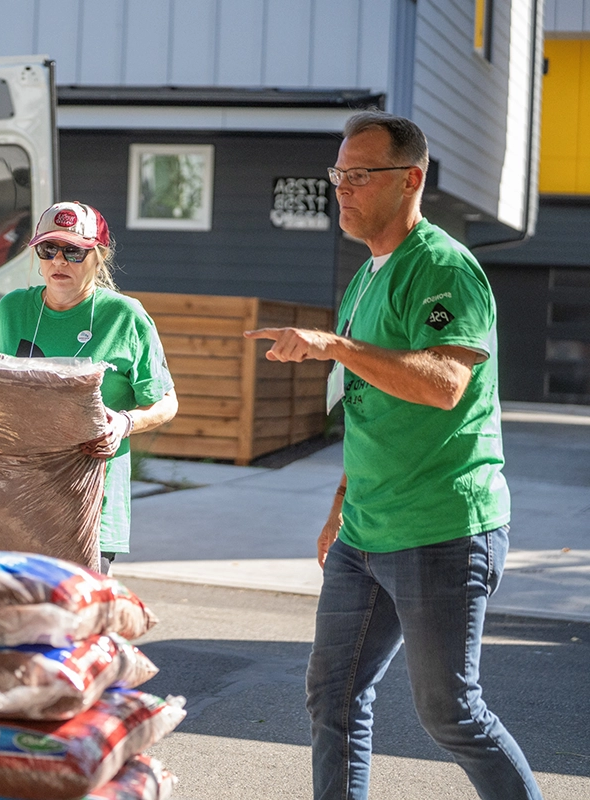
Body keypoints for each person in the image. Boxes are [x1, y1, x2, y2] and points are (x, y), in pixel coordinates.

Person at [245, 111, 542, 800]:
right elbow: (366, 404)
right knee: (333, 695)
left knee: (450, 714)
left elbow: (444, 384)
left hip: (442, 528)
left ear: (410, 179)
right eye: (338, 174)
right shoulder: (365, 278)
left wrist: (336, 345)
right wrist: (339, 506)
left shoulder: (444, 267)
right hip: (365, 532)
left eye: (359, 175)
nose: (342, 188)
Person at [0, 201, 178, 574]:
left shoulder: (124, 316)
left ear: (98, 256)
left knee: (73, 609)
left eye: (73, 251)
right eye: (48, 249)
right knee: (11, 609)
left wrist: (124, 423)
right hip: (14, 498)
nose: (59, 261)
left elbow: (166, 402)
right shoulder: (11, 309)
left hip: (89, 505)